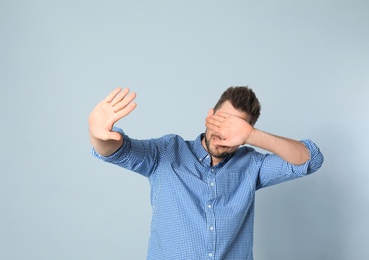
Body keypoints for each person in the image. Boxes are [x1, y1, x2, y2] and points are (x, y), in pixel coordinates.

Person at [88, 86, 324, 260]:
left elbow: (309, 160)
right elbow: (116, 149)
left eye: (236, 130)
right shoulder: (167, 152)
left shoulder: (251, 165)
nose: (224, 136)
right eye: (222, 122)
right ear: (210, 116)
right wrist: (97, 134)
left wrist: (252, 136)